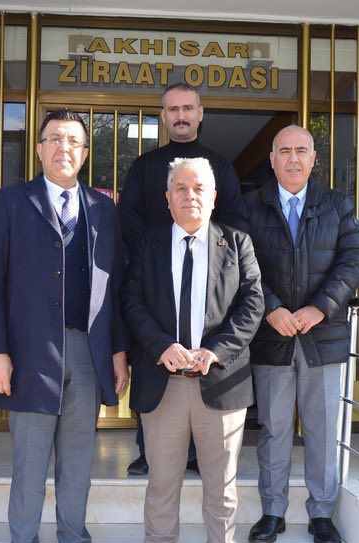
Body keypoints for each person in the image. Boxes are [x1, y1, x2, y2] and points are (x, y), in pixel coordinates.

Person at [0, 110, 129, 543]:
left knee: (78, 462)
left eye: (73, 141)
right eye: (55, 139)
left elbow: (113, 286)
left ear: (85, 153)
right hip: (27, 352)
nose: (64, 148)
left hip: (87, 349)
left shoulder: (102, 208)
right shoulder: (11, 201)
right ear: (39, 149)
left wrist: (118, 350)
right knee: (29, 463)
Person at [121, 157, 263, 543]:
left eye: (199, 188)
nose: (190, 196)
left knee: (221, 485)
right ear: (167, 199)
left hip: (220, 381)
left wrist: (217, 351)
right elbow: (132, 302)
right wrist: (160, 346)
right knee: (162, 481)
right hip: (162, 383)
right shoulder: (147, 244)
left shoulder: (236, 243)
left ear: (214, 196)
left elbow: (252, 304)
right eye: (180, 189)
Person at [243, 125, 359, 543]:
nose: (293, 159)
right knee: (274, 428)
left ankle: (322, 514)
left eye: (301, 151)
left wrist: (319, 308)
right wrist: (271, 308)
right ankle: (273, 512)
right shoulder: (250, 206)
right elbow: (243, 264)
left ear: (314, 159)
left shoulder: (337, 205)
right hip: (272, 336)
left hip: (322, 337)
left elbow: (352, 261)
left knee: (322, 429)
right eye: (284, 151)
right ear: (272, 159)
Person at [118, 82, 247, 476]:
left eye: (187, 108)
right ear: (163, 116)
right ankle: (150, 451)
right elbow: (128, 218)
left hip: (208, 282)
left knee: (203, 374)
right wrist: (157, 254)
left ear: (200, 113)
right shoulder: (144, 167)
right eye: (173, 109)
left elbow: (236, 220)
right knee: (154, 364)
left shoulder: (220, 166)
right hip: (155, 279)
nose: (180, 116)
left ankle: (197, 455)